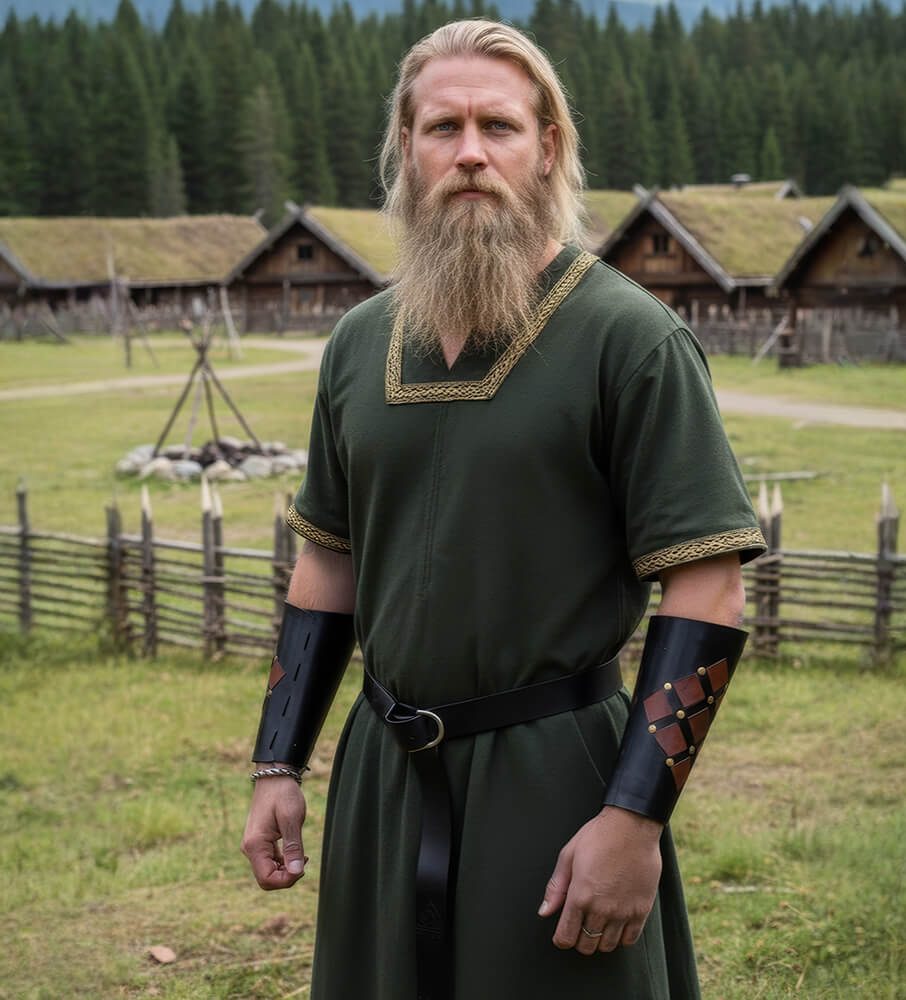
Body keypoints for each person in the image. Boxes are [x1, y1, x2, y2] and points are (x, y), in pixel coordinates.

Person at [241, 19, 765, 1000]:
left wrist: (635, 818)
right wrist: (279, 762)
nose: (471, 151)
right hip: (384, 778)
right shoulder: (356, 346)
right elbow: (327, 567)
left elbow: (706, 587)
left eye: (500, 126)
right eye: (443, 127)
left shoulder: (630, 341)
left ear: (548, 147)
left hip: (557, 784)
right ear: (405, 149)